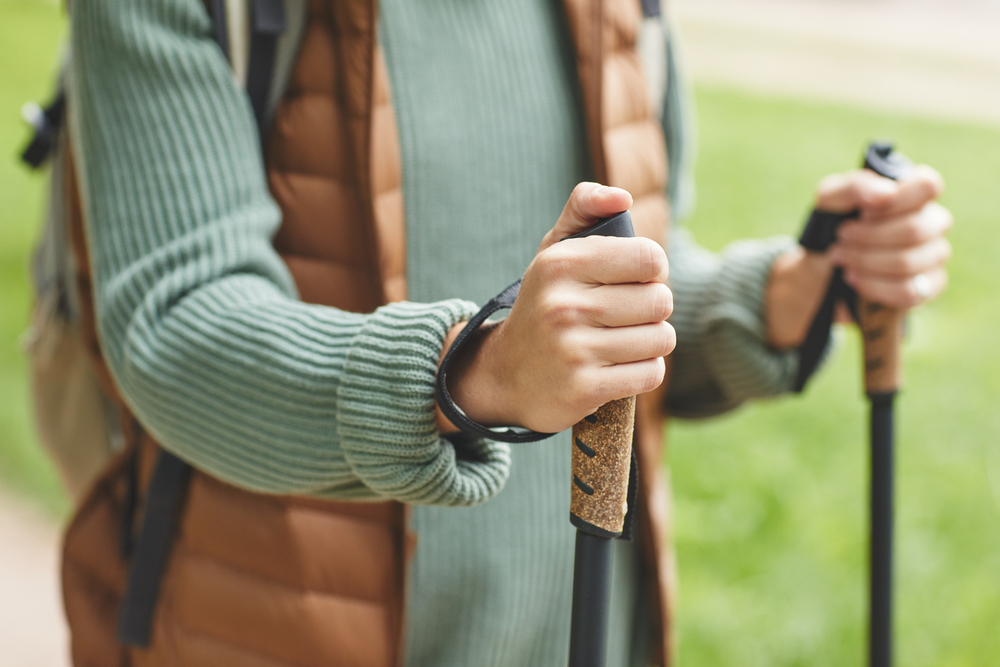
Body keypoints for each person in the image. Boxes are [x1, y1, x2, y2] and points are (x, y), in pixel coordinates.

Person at [57, 0, 952, 665]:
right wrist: (473, 374)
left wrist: (783, 296)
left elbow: (617, 288)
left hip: (593, 630)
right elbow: (175, 325)